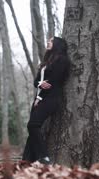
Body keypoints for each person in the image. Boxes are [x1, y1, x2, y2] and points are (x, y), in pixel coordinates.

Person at [22, 36, 71, 164]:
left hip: (51, 98)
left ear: (57, 44)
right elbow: (36, 81)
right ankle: (26, 160)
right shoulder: (46, 62)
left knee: (33, 125)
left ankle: (44, 157)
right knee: (32, 129)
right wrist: (39, 85)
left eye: (51, 41)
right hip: (40, 98)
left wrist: (39, 97)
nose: (48, 42)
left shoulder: (62, 61)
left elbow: (53, 82)